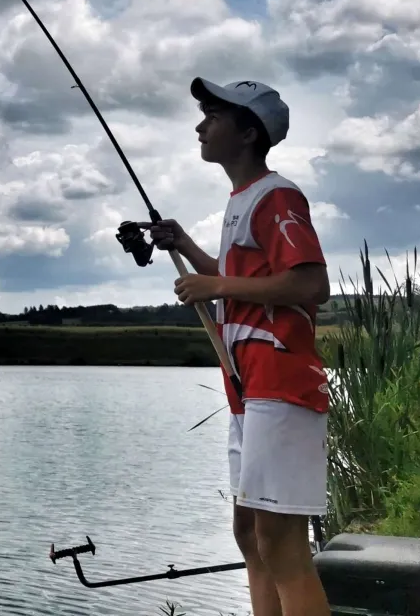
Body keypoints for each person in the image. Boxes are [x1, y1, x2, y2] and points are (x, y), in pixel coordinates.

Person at [146, 78, 331, 616]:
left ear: (248, 133)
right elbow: (244, 279)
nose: (200, 126)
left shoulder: (278, 196)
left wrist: (216, 285)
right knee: (250, 535)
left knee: (282, 545)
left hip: (281, 381)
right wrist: (186, 246)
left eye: (213, 116)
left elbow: (310, 283)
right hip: (247, 389)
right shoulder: (242, 201)